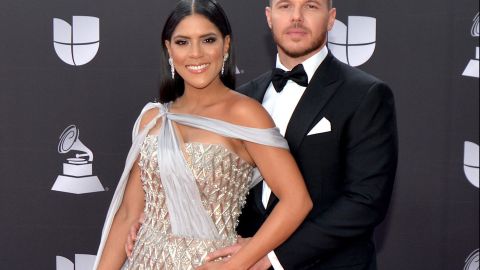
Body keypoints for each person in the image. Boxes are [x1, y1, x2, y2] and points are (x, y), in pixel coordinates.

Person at [127, 0, 398, 269]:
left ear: (331, 18)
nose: (296, 17)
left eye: (311, 6)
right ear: (269, 17)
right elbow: (212, 188)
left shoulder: (364, 95)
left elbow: (365, 202)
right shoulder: (244, 98)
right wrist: (158, 220)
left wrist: (273, 255)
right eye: (285, 6)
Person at [93, 0, 312, 269]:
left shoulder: (245, 114)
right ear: (168, 49)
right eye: (183, 42)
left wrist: (236, 264)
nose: (195, 53)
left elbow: (296, 201)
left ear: (226, 44)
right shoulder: (153, 119)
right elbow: (128, 214)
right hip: (143, 261)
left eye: (208, 40)